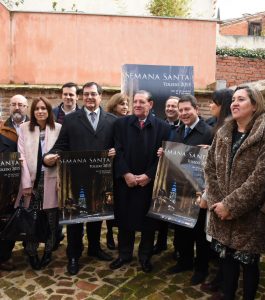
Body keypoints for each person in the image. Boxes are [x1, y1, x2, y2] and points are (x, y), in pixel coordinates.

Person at [205, 85, 265, 300]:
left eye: (241, 99)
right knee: (226, 261)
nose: (234, 103)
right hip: (221, 213)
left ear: (255, 105)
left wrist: (230, 205)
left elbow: (261, 178)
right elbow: (209, 167)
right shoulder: (223, 132)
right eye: (233, 99)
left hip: (251, 216)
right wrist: (218, 203)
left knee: (249, 265)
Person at [43, 82, 116, 275]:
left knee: (96, 216)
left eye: (93, 94)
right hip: (76, 179)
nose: (90, 97)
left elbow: (119, 146)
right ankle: (73, 255)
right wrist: (48, 157)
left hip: (101, 178)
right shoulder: (71, 119)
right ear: (82, 97)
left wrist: (116, 151)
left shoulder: (112, 120)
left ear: (101, 96)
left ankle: (94, 247)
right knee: (75, 219)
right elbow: (61, 145)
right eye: (86, 94)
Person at [110, 90, 170, 273]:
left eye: (141, 102)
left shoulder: (163, 127)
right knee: (124, 221)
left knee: (148, 224)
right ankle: (124, 254)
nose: (137, 105)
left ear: (150, 104)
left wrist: (149, 175)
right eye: (135, 101)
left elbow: (164, 156)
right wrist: (126, 173)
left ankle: (145, 256)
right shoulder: (120, 124)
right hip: (125, 183)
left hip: (149, 184)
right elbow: (117, 151)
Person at [166, 94, 213, 286]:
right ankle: (184, 261)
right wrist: (165, 153)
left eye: (187, 109)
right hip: (180, 188)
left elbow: (217, 161)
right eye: (181, 110)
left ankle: (201, 269)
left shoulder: (209, 132)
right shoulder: (176, 131)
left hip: (199, 192)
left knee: (200, 233)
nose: (183, 113)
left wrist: (210, 150)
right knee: (181, 228)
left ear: (196, 110)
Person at [15, 97, 62, 270]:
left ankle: (48, 251)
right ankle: (32, 252)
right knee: (30, 219)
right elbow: (21, 157)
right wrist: (26, 183)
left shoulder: (58, 129)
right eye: (37, 108)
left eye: (44, 108)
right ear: (32, 111)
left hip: (51, 181)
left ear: (49, 111)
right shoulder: (24, 128)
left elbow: (62, 153)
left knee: (51, 220)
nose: (40, 111)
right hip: (31, 182)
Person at [200, 88, 233, 294]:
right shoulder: (215, 126)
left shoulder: (228, 129)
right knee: (217, 240)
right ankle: (220, 277)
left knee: (224, 241)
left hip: (223, 195)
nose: (210, 105)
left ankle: (224, 281)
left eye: (214, 102)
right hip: (213, 192)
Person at [0, 94, 29, 271]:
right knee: (6, 217)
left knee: (29, 213)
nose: (17, 107)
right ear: (9, 107)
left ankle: (30, 246)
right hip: (7, 182)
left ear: (26, 107)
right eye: (14, 104)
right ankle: (4, 255)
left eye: (21, 104)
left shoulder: (34, 127)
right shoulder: (2, 129)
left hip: (29, 180)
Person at [52, 82, 81, 250]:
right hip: (56, 164)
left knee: (74, 205)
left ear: (77, 96)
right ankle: (55, 237)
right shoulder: (52, 114)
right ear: (61, 95)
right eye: (65, 94)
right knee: (55, 206)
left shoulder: (82, 114)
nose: (68, 97)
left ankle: (75, 239)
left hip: (76, 168)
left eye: (72, 94)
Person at [153, 96, 181, 257]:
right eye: (168, 106)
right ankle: (160, 242)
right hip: (161, 173)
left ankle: (178, 247)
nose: (170, 109)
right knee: (161, 208)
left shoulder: (183, 127)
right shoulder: (159, 125)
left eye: (173, 106)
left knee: (176, 211)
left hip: (178, 175)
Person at [105, 92, 129, 250]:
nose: (125, 107)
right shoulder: (108, 121)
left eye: (127, 104)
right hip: (109, 168)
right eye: (122, 104)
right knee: (109, 202)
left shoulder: (129, 121)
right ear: (114, 106)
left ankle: (122, 234)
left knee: (122, 205)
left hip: (124, 167)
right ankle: (108, 232)